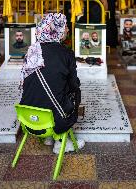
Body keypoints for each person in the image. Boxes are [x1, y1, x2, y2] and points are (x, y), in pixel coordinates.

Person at [19, 13, 85, 154]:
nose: (67, 30)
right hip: (55, 119)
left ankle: (49, 137)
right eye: (65, 26)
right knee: (74, 91)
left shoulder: (32, 50)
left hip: (27, 118)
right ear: (57, 30)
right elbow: (73, 85)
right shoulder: (66, 53)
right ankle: (61, 141)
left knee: (45, 88)